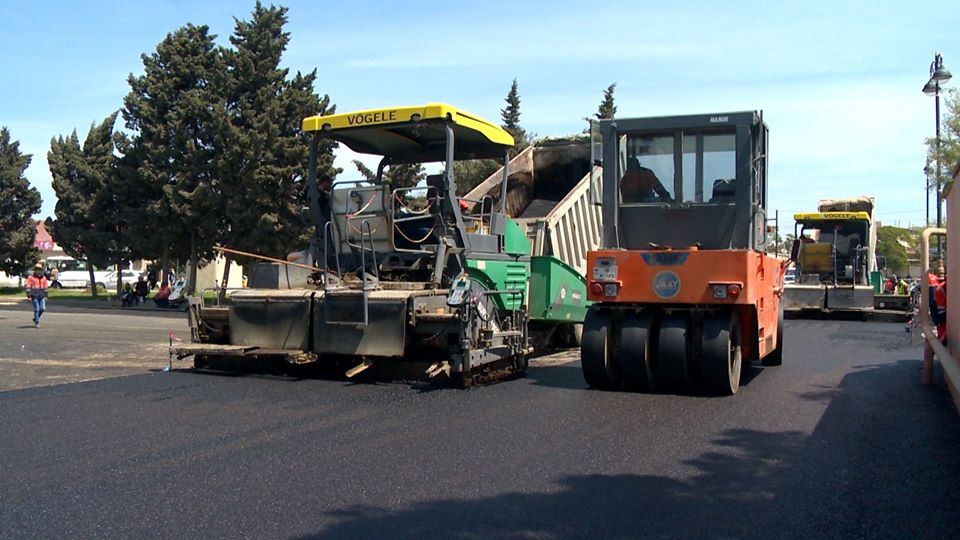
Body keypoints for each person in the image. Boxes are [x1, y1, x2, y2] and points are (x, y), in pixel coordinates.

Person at [25, 263, 49, 328]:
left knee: (42, 308)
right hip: (34, 296)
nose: (38, 271)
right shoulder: (31, 278)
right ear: (35, 270)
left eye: (40, 269)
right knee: (37, 309)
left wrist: (46, 295)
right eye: (37, 269)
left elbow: (46, 287)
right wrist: (29, 296)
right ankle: (37, 322)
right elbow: (28, 287)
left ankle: (36, 318)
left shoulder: (43, 278)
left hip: (42, 296)